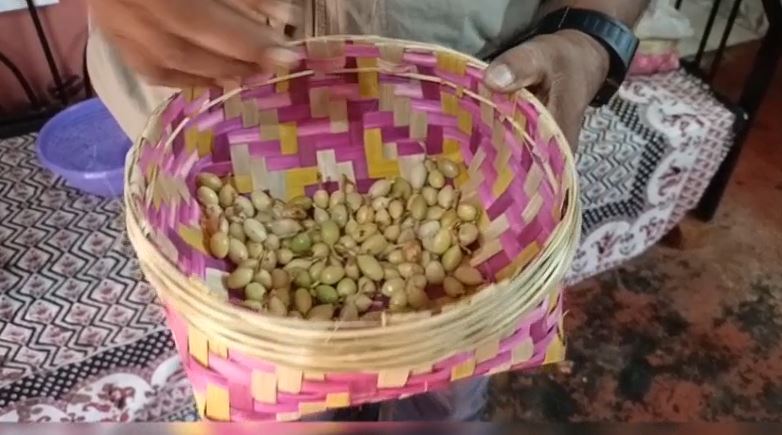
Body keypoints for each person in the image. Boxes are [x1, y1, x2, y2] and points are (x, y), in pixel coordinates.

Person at [87, 0, 648, 421]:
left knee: (443, 404)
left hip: (465, 125)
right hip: (206, 136)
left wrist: (590, 31)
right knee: (265, 406)